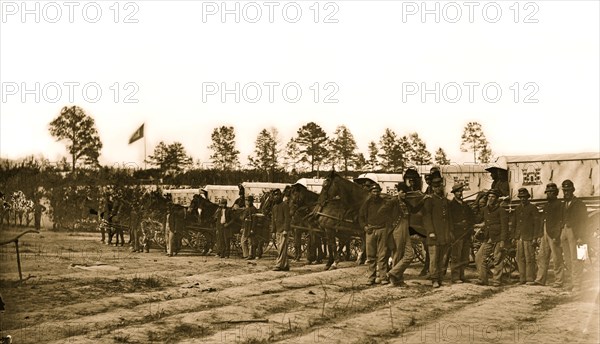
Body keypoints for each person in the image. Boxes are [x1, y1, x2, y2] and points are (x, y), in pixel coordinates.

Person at [422, 175, 453, 288]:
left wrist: (450, 231)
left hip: (444, 233)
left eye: (440, 186)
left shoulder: (444, 200)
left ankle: (440, 277)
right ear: (433, 188)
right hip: (434, 234)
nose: (438, 188)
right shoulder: (429, 200)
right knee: (434, 258)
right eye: (436, 186)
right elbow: (427, 217)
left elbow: (449, 218)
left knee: (442, 257)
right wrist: (430, 231)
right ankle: (434, 279)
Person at [359, 183, 392, 285]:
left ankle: (383, 277)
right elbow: (361, 217)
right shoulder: (366, 204)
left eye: (378, 191)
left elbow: (389, 216)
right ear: (370, 193)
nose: (376, 193)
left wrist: (386, 228)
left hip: (382, 230)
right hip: (370, 231)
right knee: (370, 255)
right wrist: (364, 227)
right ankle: (371, 277)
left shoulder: (384, 202)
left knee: (382, 255)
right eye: (374, 191)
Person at [475, 189, 509, 286]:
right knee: (479, 257)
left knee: (497, 259)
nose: (490, 199)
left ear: (497, 199)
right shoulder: (485, 210)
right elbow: (479, 219)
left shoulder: (501, 210)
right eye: (489, 197)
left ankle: (497, 280)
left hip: (498, 238)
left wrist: (502, 240)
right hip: (488, 238)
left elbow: (504, 226)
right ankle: (482, 279)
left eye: (493, 197)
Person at [387, 182, 418, 287]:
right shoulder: (393, 202)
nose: (404, 194)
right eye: (403, 192)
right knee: (398, 254)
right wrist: (390, 227)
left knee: (410, 255)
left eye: (405, 192)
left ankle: (393, 273)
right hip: (397, 228)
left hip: (406, 229)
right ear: (398, 192)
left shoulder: (406, 202)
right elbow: (383, 214)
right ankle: (397, 280)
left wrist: (424, 199)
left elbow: (414, 210)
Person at [559, 179, 588, 292]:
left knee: (577, 259)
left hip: (576, 234)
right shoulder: (563, 204)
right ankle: (572, 282)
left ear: (573, 190)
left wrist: (581, 237)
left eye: (568, 190)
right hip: (565, 231)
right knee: (567, 259)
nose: (566, 193)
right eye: (564, 190)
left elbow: (584, 221)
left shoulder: (580, 204)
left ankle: (577, 284)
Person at [534, 183, 565, 287]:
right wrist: (540, 235)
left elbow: (560, 221)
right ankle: (540, 279)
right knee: (542, 257)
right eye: (548, 192)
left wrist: (557, 235)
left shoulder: (560, 205)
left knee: (557, 258)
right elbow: (543, 220)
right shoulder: (547, 205)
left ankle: (559, 281)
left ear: (556, 193)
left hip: (554, 234)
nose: (549, 194)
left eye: (552, 192)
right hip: (545, 232)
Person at [513, 188, 541, 285]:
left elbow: (537, 223)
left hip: (528, 236)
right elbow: (515, 223)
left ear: (527, 197)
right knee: (520, 258)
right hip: (519, 236)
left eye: (524, 197)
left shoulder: (532, 208)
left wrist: (535, 237)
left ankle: (530, 278)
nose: (522, 199)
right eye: (521, 197)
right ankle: (522, 278)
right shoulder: (517, 209)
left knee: (529, 258)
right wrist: (514, 236)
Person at [448, 182, 475, 283]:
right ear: (454, 193)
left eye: (461, 191)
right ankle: (455, 277)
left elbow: (471, 217)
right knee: (456, 255)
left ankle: (462, 275)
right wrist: (456, 226)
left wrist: (470, 226)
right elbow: (449, 220)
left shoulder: (465, 205)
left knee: (464, 255)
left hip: (466, 234)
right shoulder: (451, 205)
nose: (460, 193)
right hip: (457, 234)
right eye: (458, 192)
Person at [271, 190, 291, 271]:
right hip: (277, 230)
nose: (276, 197)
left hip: (283, 230)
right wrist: (273, 231)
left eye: (278, 195)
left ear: (281, 196)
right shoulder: (274, 207)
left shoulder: (285, 205)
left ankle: (279, 264)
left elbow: (287, 218)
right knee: (281, 248)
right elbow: (273, 220)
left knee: (282, 247)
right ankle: (285, 265)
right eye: (275, 195)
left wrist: (286, 229)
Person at [241, 195, 259, 260]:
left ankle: (251, 255)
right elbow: (243, 219)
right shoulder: (247, 209)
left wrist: (252, 229)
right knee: (243, 241)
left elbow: (255, 221)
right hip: (246, 227)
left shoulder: (254, 209)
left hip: (250, 227)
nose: (247, 202)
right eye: (246, 201)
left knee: (250, 242)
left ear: (251, 201)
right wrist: (242, 227)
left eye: (248, 201)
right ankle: (246, 255)